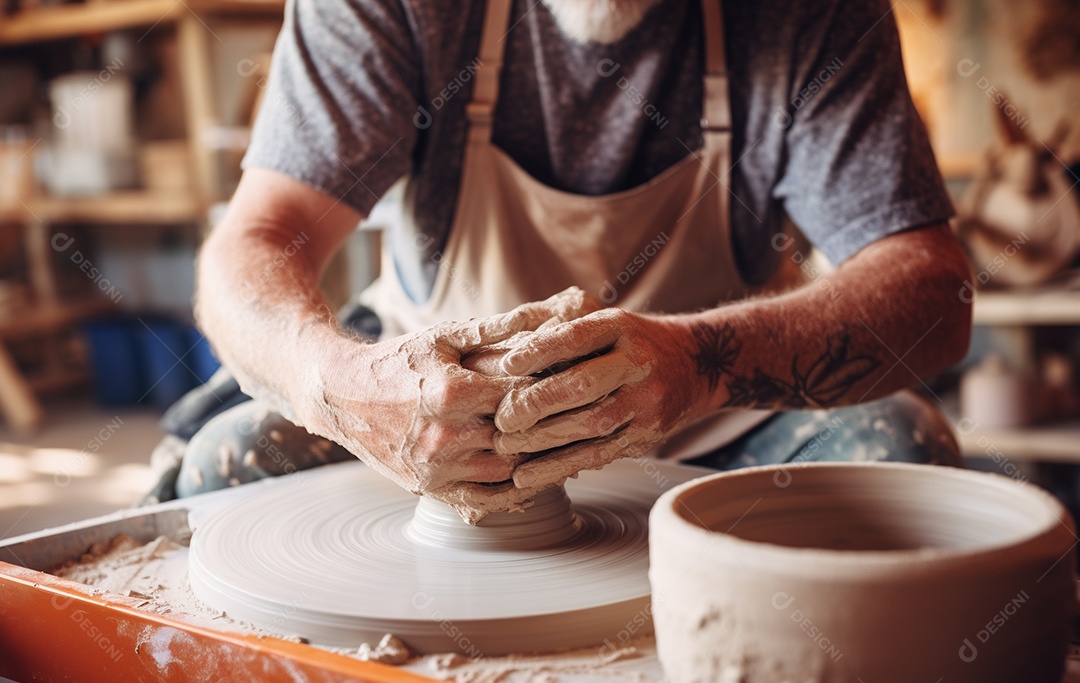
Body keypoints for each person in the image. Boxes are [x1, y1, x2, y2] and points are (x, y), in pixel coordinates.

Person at [151, 0, 973, 521]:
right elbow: (257, 240)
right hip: (429, 417)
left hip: (715, 413)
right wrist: (334, 385)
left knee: (906, 453)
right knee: (224, 470)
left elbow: (932, 287)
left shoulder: (807, 15)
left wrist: (694, 365)